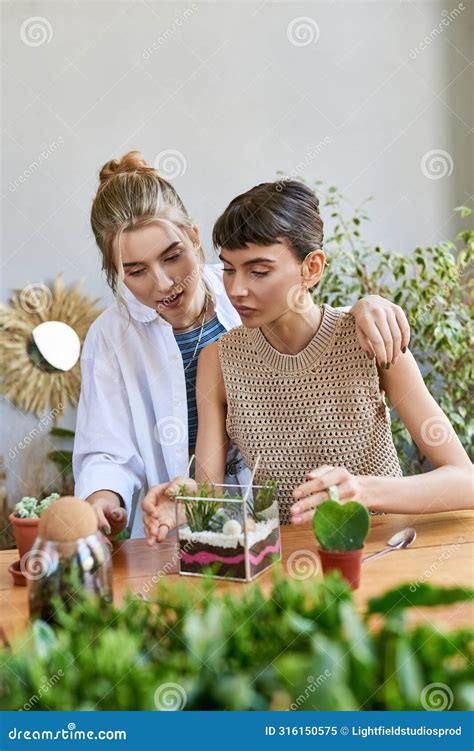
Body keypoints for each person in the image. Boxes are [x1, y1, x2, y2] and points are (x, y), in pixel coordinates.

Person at [72, 152, 413, 539]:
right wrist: (105, 499)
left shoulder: (244, 288)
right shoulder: (116, 338)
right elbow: (110, 451)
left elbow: (308, 318)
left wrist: (368, 305)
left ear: (193, 237)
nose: (163, 283)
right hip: (211, 532)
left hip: (299, 525)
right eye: (135, 271)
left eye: (173, 257)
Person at [143, 180, 472, 544]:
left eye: (259, 271)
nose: (236, 289)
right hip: (290, 566)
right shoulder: (218, 361)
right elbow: (214, 495)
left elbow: (465, 481)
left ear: (312, 267)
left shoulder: (370, 340)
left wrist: (362, 491)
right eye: (229, 269)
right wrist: (188, 505)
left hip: (385, 548)